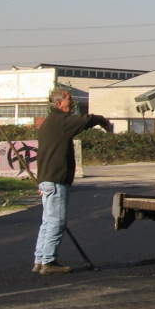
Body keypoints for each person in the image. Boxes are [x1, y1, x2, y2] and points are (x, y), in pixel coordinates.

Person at [32, 86, 113, 274]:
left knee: (48, 221)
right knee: (56, 222)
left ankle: (40, 260)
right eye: (69, 98)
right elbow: (87, 120)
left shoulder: (50, 122)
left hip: (47, 179)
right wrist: (104, 122)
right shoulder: (60, 121)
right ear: (59, 103)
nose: (72, 101)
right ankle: (49, 262)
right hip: (56, 180)